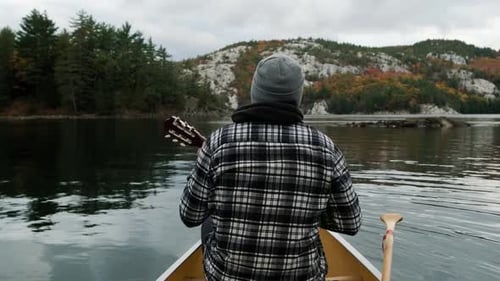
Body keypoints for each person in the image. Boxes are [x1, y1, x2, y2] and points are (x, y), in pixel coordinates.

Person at [179, 54, 361, 281]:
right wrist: (304, 209)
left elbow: (189, 215)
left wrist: (204, 172)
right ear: (297, 96)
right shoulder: (326, 148)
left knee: (207, 220)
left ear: (255, 92)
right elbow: (350, 223)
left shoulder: (218, 143)